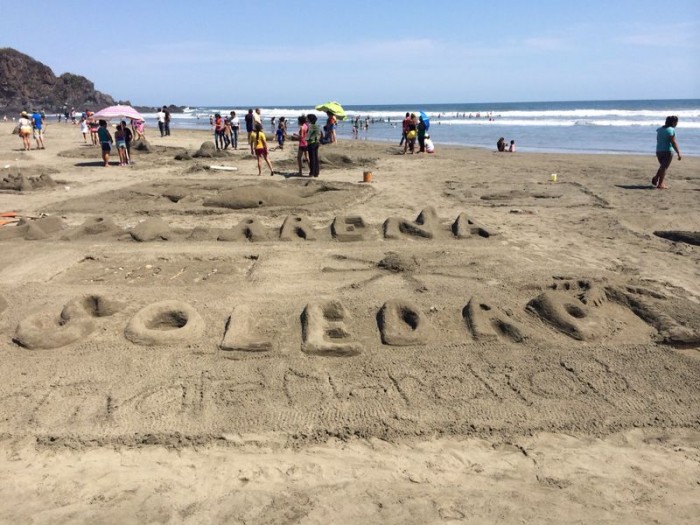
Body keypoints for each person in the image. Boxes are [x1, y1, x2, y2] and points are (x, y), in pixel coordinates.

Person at [652, 116, 681, 189]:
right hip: (667, 151)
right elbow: (673, 142)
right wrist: (678, 153)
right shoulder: (671, 130)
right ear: (673, 122)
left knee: (662, 166)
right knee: (664, 167)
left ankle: (656, 178)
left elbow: (658, 139)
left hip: (658, 151)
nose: (677, 124)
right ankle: (660, 184)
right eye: (676, 122)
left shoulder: (659, 129)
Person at [306, 113, 321, 177]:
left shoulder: (310, 126)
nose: (306, 119)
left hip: (311, 143)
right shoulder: (316, 125)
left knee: (312, 158)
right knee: (315, 158)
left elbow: (308, 136)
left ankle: (312, 172)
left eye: (307, 118)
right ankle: (316, 172)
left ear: (310, 119)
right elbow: (319, 134)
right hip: (316, 143)